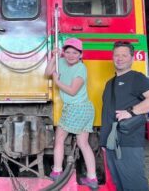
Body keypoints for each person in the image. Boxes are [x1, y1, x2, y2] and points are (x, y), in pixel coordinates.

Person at [100, 41, 149, 191]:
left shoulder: (137, 78)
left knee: (134, 185)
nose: (120, 58)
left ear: (132, 58)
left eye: (124, 55)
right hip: (111, 143)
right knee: (119, 185)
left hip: (129, 143)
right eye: (116, 55)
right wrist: (104, 142)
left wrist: (131, 112)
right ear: (112, 57)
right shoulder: (110, 83)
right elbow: (108, 113)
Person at [45, 37, 98, 189]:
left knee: (59, 139)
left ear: (81, 55)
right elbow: (48, 72)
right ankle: (92, 178)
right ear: (64, 52)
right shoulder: (61, 61)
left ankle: (56, 171)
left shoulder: (81, 68)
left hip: (77, 108)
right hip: (83, 108)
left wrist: (57, 82)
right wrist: (53, 56)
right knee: (83, 144)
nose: (70, 55)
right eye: (67, 52)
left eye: (75, 52)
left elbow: (73, 91)